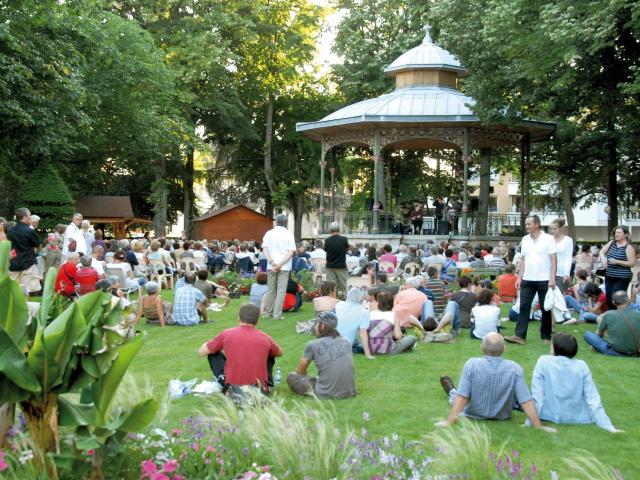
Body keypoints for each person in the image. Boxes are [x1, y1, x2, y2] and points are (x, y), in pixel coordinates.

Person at [436, 333, 556, 432]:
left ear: (482, 348)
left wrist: (449, 422)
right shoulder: (514, 368)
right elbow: (525, 399)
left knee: (456, 396)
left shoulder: (472, 365)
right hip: (501, 415)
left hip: (474, 412)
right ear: (504, 349)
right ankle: (451, 390)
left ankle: (451, 390)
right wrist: (538, 426)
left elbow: (462, 396)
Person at [530, 333, 620, 432]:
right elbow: (593, 398)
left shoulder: (544, 361)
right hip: (576, 415)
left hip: (549, 414)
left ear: (555, 347)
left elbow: (537, 394)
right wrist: (608, 426)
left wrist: (530, 421)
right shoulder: (581, 365)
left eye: (552, 344)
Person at [198, 303, 283, 393]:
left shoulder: (226, 334)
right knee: (270, 353)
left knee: (214, 353)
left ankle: (223, 380)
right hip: (259, 389)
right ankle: (266, 383)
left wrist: (220, 347)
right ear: (257, 321)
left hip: (233, 388)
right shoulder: (265, 338)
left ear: (238, 318)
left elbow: (202, 351)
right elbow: (279, 352)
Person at [505, 215, 557, 345]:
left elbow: (554, 260)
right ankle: (519, 336)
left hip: (544, 279)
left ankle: (546, 337)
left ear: (537, 224)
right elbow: (523, 260)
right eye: (526, 224)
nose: (526, 226)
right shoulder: (525, 239)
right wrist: (520, 277)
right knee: (524, 307)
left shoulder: (548, 239)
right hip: (527, 279)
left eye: (529, 224)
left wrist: (552, 279)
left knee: (546, 309)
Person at [287, 312, 356, 399]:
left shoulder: (313, 344)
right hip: (350, 391)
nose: (315, 327)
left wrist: (307, 378)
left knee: (292, 376)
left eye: (316, 324)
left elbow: (300, 371)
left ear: (322, 325)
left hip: (325, 392)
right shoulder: (347, 341)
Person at [584, 291, 640, 356]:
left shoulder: (608, 314)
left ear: (613, 302)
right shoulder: (638, 313)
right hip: (636, 351)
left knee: (587, 334)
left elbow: (599, 334)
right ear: (628, 301)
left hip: (614, 351)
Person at [262, 214, 296, 320]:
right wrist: (280, 264)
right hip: (284, 266)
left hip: (271, 265)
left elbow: (265, 249)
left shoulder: (269, 233)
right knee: (281, 291)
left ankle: (268, 313)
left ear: (276, 221)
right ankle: (277, 314)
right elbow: (291, 252)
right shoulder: (289, 234)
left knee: (270, 290)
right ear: (286, 223)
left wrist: (272, 262)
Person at [599, 226, 636, 310]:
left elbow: (632, 263)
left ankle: (621, 316)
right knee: (608, 299)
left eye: (619, 233)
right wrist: (603, 260)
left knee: (615, 298)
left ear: (625, 234)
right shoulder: (612, 243)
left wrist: (617, 261)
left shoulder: (628, 247)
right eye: (616, 233)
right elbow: (602, 251)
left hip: (622, 277)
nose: (617, 234)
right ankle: (613, 317)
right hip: (609, 276)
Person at [7, 207, 41, 293]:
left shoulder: (10, 231)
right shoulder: (29, 231)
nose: (31, 217)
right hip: (28, 263)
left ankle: (13, 306)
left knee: (13, 290)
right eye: (29, 215)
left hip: (14, 263)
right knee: (26, 290)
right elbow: (38, 245)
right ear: (25, 218)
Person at [336, 287, 373, 358]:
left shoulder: (339, 305)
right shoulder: (364, 311)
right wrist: (368, 354)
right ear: (361, 298)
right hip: (346, 345)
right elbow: (363, 334)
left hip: (330, 342)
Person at [549, 218, 574, 292]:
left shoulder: (568, 240)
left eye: (555, 229)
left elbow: (568, 258)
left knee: (559, 297)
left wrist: (566, 273)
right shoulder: (549, 239)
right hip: (549, 272)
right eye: (551, 229)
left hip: (561, 273)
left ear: (561, 228)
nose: (552, 231)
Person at [324, 222, 349, 293]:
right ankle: (345, 300)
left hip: (330, 266)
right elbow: (347, 248)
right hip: (341, 266)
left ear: (330, 230)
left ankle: (332, 300)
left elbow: (326, 249)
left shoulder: (327, 240)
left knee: (331, 286)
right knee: (345, 285)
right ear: (339, 229)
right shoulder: (344, 239)